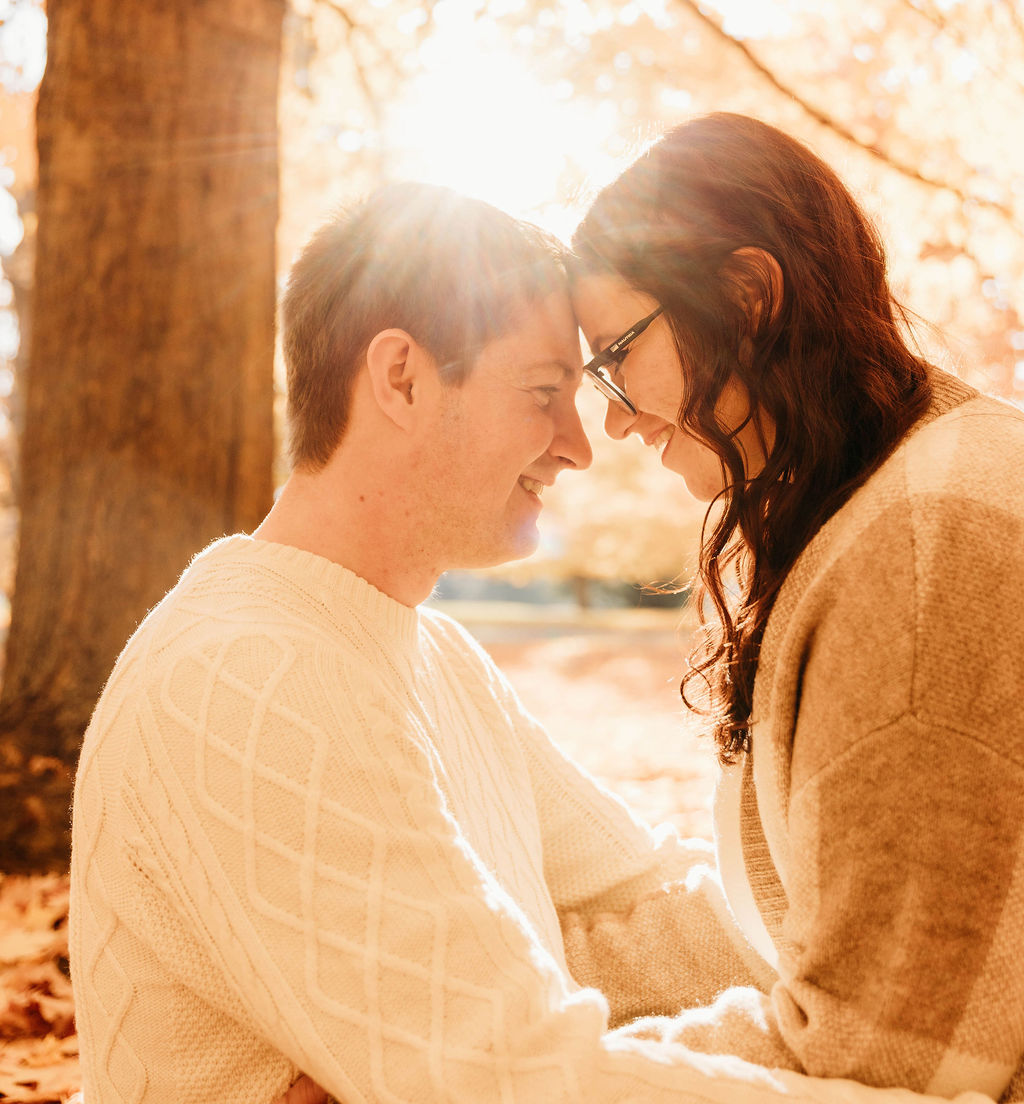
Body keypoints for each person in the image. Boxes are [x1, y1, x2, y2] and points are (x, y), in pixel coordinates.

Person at [68, 181, 980, 1104]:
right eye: (545, 392)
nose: (580, 445)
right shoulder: (246, 678)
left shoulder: (435, 659)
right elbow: (514, 1081)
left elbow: (654, 907)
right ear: (403, 379)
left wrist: (923, 941)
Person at [568, 112, 1024, 1101]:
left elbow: (891, 1062)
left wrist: (481, 1074)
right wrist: (502, 984)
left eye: (617, 354)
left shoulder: (921, 552)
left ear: (747, 297)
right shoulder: (884, 495)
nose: (608, 418)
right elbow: (790, 918)